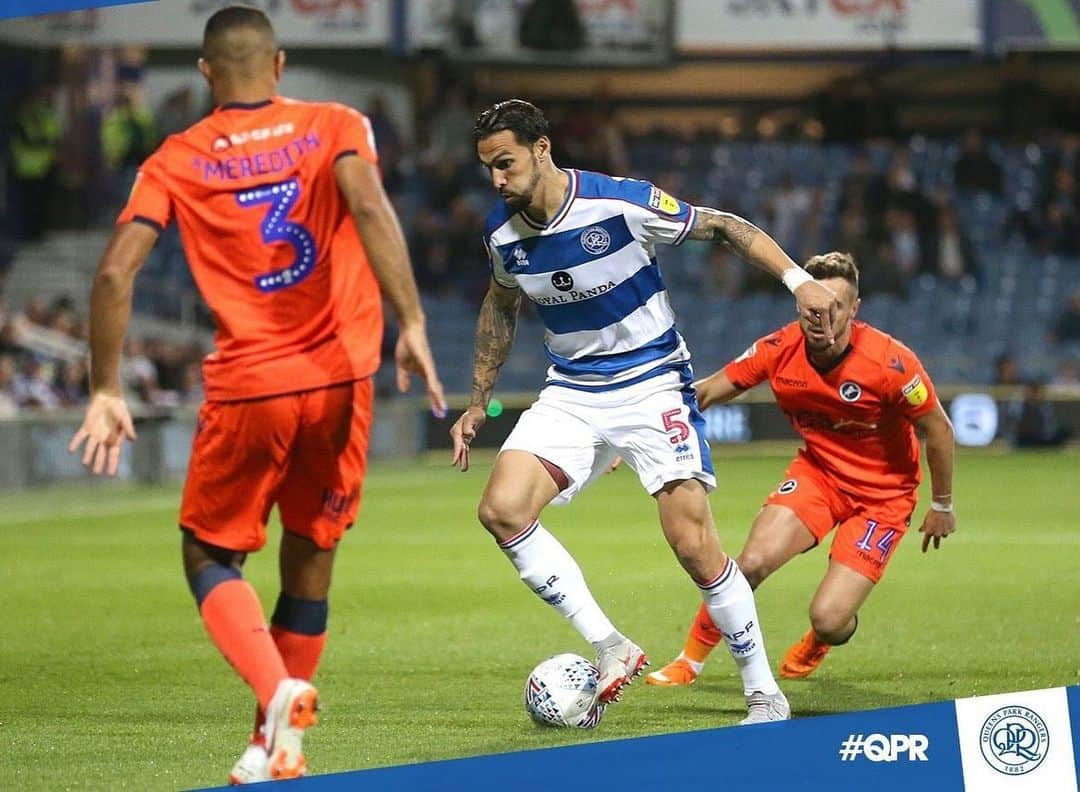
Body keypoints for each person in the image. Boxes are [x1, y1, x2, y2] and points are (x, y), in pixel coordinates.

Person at [67, 6, 445, 784]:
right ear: (277, 65)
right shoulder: (336, 123)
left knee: (208, 551)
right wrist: (410, 321)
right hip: (342, 380)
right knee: (311, 560)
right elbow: (370, 206)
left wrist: (106, 386)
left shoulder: (175, 157)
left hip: (252, 385)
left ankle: (275, 701)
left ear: (206, 74)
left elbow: (112, 272)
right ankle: (274, 742)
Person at [449, 99, 838, 724]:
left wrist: (800, 282)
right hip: (572, 388)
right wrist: (476, 402)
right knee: (501, 510)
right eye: (488, 169)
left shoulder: (620, 203)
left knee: (693, 545)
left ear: (541, 150)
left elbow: (725, 227)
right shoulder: (503, 235)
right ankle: (611, 647)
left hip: (652, 383)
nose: (497, 181)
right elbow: (501, 306)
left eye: (506, 164)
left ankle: (763, 690)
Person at [643, 252, 957, 688]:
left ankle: (823, 638)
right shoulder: (779, 348)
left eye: (837, 307)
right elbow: (710, 390)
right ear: (799, 304)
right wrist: (640, 429)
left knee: (829, 619)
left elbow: (938, 428)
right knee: (749, 562)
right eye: (814, 307)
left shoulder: (890, 363)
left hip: (883, 498)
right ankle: (689, 660)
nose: (823, 317)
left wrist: (942, 503)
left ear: (855, 310)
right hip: (819, 476)